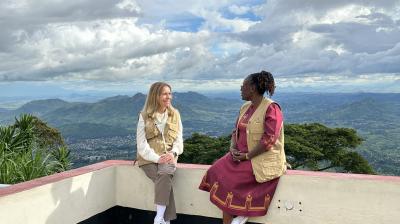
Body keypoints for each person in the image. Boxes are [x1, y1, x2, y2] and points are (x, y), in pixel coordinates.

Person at [199, 71, 287, 224]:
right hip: (240, 155)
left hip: (257, 158)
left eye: (243, 86)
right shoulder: (245, 107)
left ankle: (240, 216)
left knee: (231, 183)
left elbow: (269, 139)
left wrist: (247, 156)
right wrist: (233, 147)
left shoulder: (271, 108)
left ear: (252, 88)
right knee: (216, 171)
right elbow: (236, 131)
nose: (241, 88)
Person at [136, 82, 183, 224]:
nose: (168, 97)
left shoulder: (175, 114)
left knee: (164, 175)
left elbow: (179, 140)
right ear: (155, 96)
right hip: (148, 159)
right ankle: (164, 220)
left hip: (169, 157)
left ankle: (159, 218)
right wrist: (157, 159)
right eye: (164, 93)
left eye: (170, 93)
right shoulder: (144, 116)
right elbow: (141, 145)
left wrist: (173, 153)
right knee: (163, 180)